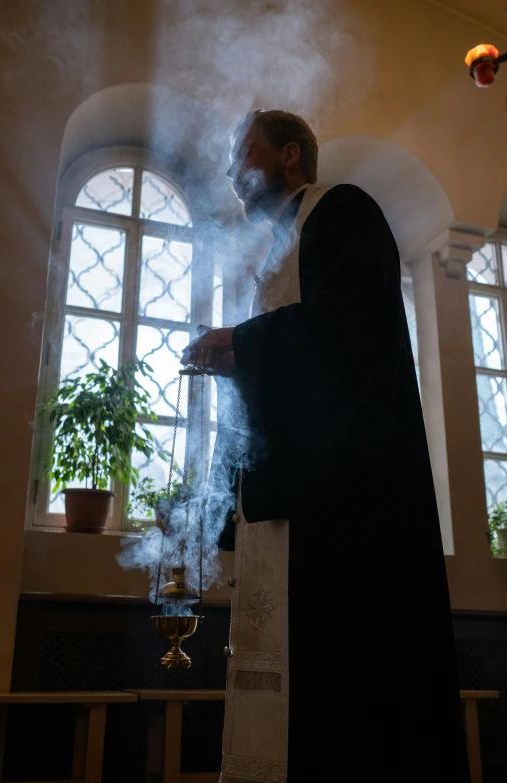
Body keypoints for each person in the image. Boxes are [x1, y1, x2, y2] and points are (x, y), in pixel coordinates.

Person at [181, 110, 470, 782]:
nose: (229, 170)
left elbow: (353, 330)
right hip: (290, 519)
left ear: (289, 155)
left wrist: (244, 342)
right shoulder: (275, 260)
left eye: (241, 152)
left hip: (347, 523)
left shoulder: (343, 211)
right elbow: (272, 395)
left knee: (345, 717)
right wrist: (225, 505)